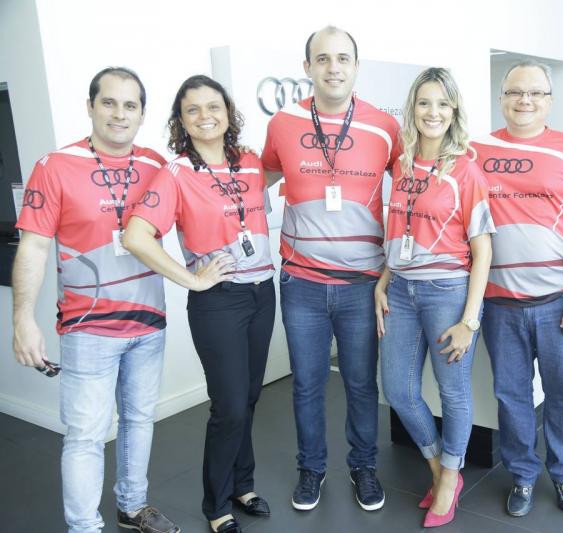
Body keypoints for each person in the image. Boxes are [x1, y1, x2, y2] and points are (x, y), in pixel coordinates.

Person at [11, 67, 180, 533]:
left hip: (148, 323)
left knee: (139, 420)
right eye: (108, 102)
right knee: (86, 435)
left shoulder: (157, 165)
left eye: (130, 105)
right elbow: (34, 246)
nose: (119, 114)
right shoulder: (55, 166)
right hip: (88, 330)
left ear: (142, 114)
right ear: (90, 106)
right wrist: (23, 318)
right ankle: (85, 527)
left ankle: (133, 506)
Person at [123, 75, 276, 533]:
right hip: (219, 302)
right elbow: (136, 236)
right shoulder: (175, 173)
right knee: (229, 406)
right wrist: (192, 279)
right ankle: (216, 505)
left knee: (249, 397)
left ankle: (242, 485)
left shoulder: (249, 162)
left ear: (228, 112)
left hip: (262, 291)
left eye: (214, 106)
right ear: (181, 120)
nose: (205, 116)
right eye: (193, 109)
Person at [260, 25, 400, 512]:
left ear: (356, 66)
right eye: (323, 59)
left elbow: (414, 186)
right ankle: (311, 469)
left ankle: (363, 467)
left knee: (361, 383)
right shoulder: (283, 123)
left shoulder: (385, 126)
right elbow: (261, 177)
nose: (333, 67)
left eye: (343, 58)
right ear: (307, 67)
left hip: (363, 283)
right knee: (306, 383)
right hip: (301, 281)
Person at [472, 60, 563, 518]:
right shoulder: (476, 151)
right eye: (515, 92)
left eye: (535, 93)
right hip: (499, 304)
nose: (525, 100)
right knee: (511, 396)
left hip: (560, 303)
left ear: (549, 101)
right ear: (502, 98)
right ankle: (523, 475)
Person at [376, 67, 494, 528]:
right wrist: (385, 278)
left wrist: (470, 321)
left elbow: (483, 251)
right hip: (401, 290)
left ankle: (449, 478)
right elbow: (401, 229)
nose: (433, 112)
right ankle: (438, 467)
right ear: (413, 108)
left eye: (443, 103)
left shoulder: (466, 170)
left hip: (448, 292)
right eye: (425, 102)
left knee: (453, 391)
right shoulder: (401, 164)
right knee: (398, 389)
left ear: (454, 110)